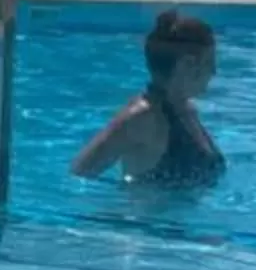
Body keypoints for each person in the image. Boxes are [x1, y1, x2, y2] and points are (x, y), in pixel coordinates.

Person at [72, 10, 226, 185]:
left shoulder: (186, 109)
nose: (214, 71)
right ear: (187, 64)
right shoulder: (142, 118)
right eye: (209, 63)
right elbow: (79, 174)